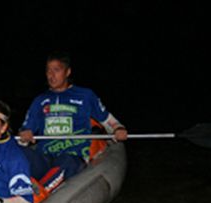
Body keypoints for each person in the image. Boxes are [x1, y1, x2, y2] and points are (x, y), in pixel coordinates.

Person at [18, 52, 128, 193]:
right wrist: (24, 137)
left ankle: (37, 195)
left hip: (73, 156)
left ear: (67, 72)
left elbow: (108, 120)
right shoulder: (39, 100)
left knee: (66, 162)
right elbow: (25, 135)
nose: (51, 75)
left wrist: (118, 128)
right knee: (17, 152)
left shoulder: (85, 95)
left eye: (56, 70)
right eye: (48, 70)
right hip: (45, 157)